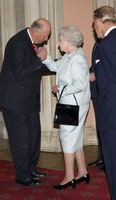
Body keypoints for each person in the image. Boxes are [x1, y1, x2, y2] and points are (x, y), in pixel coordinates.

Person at [0, 18, 51, 186]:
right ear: (36, 31)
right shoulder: (17, 44)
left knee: (34, 134)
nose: (47, 39)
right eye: (46, 35)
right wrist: (39, 59)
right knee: (21, 138)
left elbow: (36, 68)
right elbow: (20, 73)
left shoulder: (32, 41)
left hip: (28, 99)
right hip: (14, 100)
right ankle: (22, 175)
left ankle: (31, 169)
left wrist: (61, 67)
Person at [42, 26, 91, 189]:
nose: (58, 43)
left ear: (69, 42)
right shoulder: (70, 56)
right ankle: (82, 171)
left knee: (67, 138)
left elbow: (80, 84)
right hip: (69, 103)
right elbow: (56, 67)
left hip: (73, 105)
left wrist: (60, 88)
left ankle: (69, 176)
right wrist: (45, 58)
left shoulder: (77, 59)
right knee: (74, 138)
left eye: (61, 40)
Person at [92, 6, 116, 200]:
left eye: (94, 24)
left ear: (100, 22)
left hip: (112, 113)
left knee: (113, 162)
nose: (94, 28)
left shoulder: (107, 44)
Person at [88, 37, 105, 171]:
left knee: (106, 127)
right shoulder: (98, 42)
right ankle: (102, 157)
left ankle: (107, 159)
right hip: (96, 91)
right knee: (100, 126)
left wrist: (96, 74)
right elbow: (95, 64)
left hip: (105, 92)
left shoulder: (110, 41)